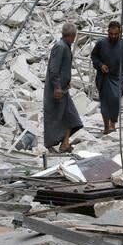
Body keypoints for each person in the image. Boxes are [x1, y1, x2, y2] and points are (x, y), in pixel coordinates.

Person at [91, 21, 123, 134]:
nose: (113, 36)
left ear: (120, 33)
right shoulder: (101, 43)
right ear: (108, 32)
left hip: (119, 77)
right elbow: (94, 56)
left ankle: (113, 123)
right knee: (105, 102)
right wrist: (100, 65)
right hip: (103, 77)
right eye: (111, 34)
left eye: (116, 34)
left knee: (115, 99)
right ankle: (106, 126)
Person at [43, 23, 83, 153]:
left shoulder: (65, 46)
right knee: (54, 117)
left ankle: (65, 143)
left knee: (71, 117)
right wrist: (57, 87)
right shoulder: (60, 47)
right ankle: (50, 144)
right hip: (57, 91)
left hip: (63, 89)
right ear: (72, 36)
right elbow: (54, 69)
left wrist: (66, 81)